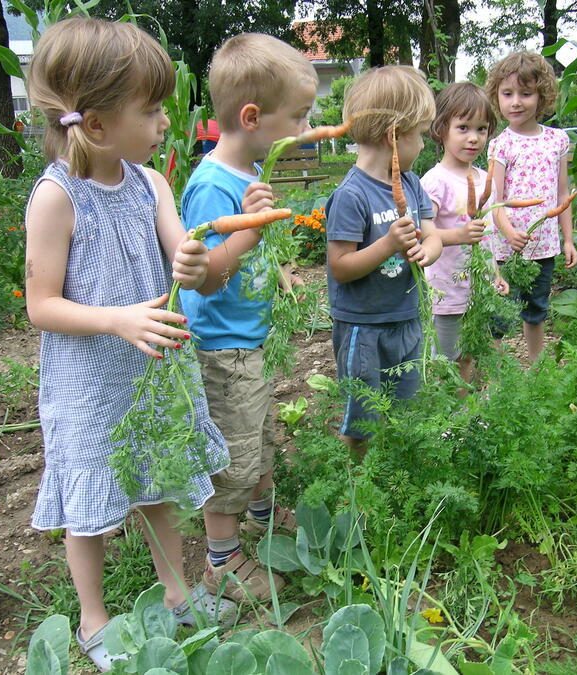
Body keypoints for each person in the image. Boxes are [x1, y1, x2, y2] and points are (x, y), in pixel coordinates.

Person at [24, 18, 233, 672]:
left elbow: (183, 258)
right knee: (89, 508)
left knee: (156, 486)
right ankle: (94, 616)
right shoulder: (57, 198)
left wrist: (196, 260)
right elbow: (41, 304)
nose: (165, 120)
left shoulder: (152, 184)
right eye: (151, 109)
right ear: (95, 125)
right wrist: (118, 319)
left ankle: (175, 593)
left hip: (151, 371)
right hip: (90, 381)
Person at [179, 33, 316, 604]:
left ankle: (260, 521)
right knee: (233, 458)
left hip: (249, 341)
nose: (308, 132)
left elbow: (252, 252)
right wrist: (251, 233)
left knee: (260, 442)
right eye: (300, 118)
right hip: (220, 347)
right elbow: (205, 275)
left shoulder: (248, 177)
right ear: (253, 117)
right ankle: (223, 561)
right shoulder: (212, 186)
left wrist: (277, 267)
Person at [325, 66, 443, 458]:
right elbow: (341, 266)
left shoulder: (410, 182)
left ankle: (395, 476)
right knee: (361, 421)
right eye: (421, 135)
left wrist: (430, 250)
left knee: (406, 408)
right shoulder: (351, 196)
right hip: (364, 326)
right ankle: (357, 485)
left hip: (405, 318)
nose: (424, 146)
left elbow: (432, 233)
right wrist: (389, 244)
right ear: (393, 135)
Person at [485, 51, 577, 363]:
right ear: (496, 96)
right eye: (507, 94)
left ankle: (537, 369)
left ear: (542, 96)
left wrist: (567, 240)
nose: (516, 102)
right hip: (507, 247)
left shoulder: (558, 140)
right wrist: (508, 231)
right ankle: (499, 377)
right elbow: (493, 198)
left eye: (525, 94)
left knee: (536, 310)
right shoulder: (500, 144)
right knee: (500, 315)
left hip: (544, 246)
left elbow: (562, 193)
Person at [420, 82, 509, 386]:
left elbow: (489, 238)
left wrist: (495, 273)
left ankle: (469, 416)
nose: (473, 138)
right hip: (446, 293)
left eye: (482, 129)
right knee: (448, 363)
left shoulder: (486, 180)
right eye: (463, 127)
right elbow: (423, 235)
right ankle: (449, 421)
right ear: (441, 128)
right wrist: (459, 235)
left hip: (479, 291)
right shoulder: (435, 181)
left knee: (473, 355)